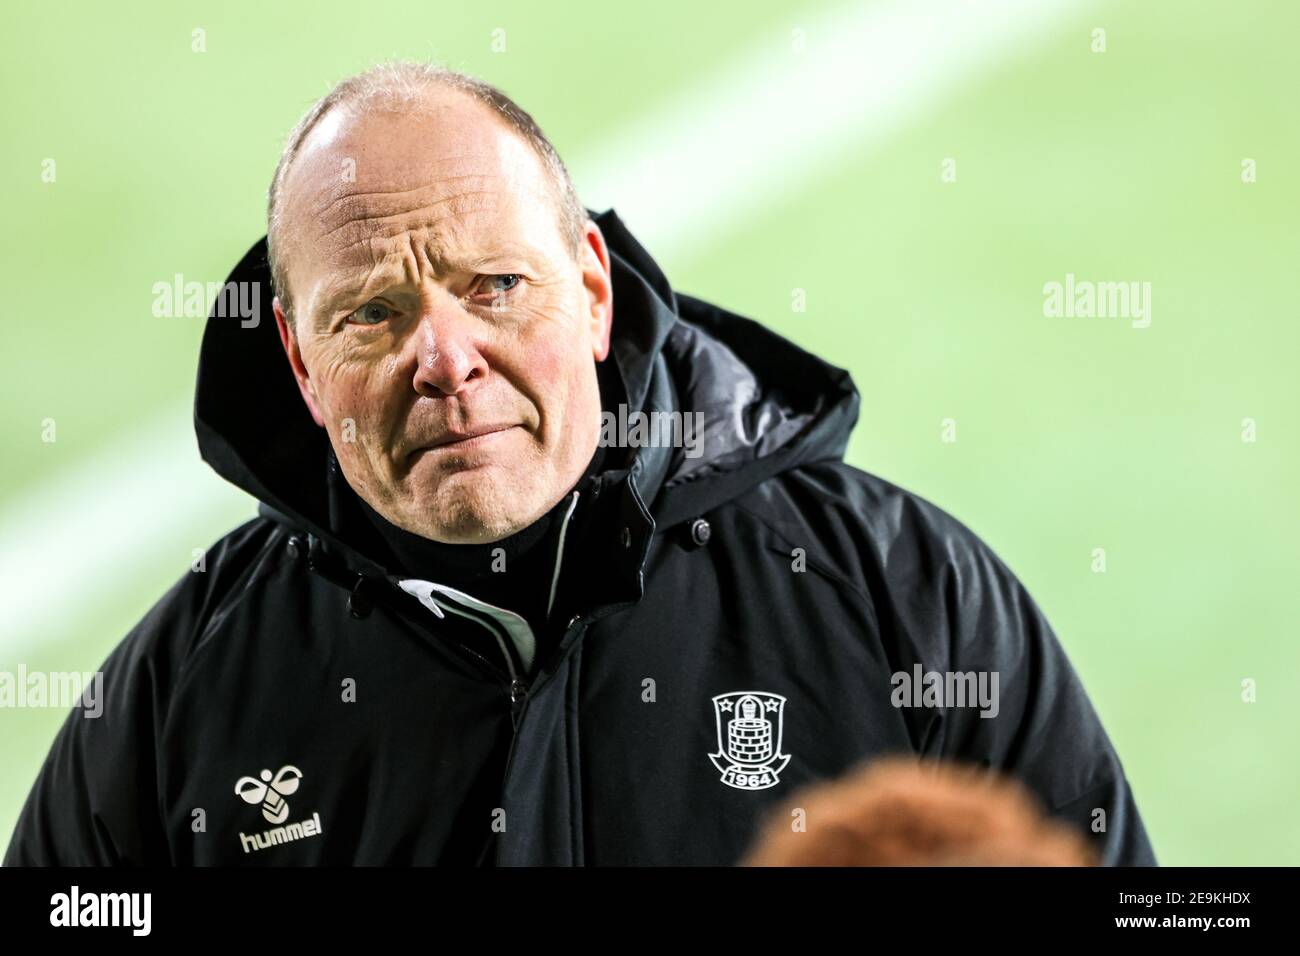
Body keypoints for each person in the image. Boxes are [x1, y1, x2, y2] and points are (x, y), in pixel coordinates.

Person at [4, 61, 1155, 866]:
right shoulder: (181, 700)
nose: (444, 357)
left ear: (593, 289)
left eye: (495, 286)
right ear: (303, 366)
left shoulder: (905, 601)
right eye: (370, 315)